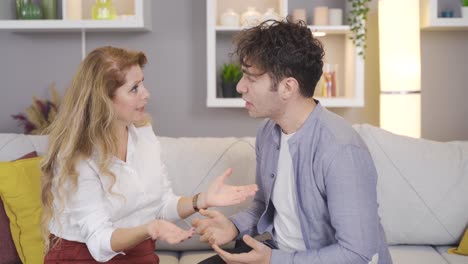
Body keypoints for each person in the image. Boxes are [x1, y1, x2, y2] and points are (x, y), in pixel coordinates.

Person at [193, 20, 393, 264]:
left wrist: (274, 260)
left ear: (288, 87)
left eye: (251, 78)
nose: (239, 86)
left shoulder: (340, 149)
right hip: (277, 253)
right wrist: (233, 227)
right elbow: (264, 205)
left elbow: (357, 253)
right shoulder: (268, 133)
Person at [40, 46, 258, 264]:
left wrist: (201, 200)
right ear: (103, 100)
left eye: (142, 83)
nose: (146, 93)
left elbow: (161, 205)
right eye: (134, 88)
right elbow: (98, 242)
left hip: (139, 252)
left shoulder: (143, 135)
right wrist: (150, 228)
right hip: (80, 257)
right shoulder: (80, 156)